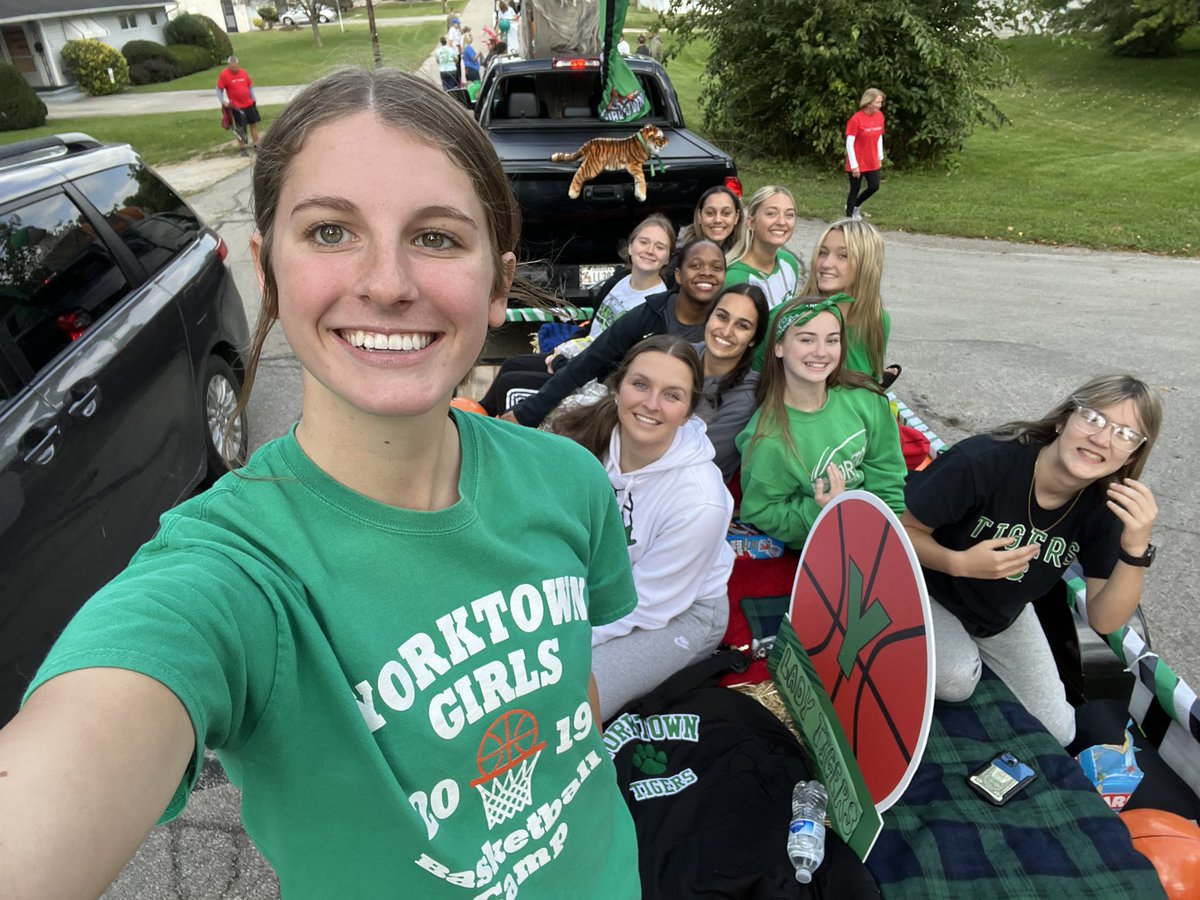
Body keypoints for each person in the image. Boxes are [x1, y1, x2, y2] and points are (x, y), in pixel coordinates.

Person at [0, 68, 643, 899]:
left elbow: (572, 695)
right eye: (332, 231)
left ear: (496, 284)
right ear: (268, 270)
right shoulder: (230, 578)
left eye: (439, 237)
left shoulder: (566, 480)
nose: (387, 283)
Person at [902, 375, 1162, 747]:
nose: (1102, 439)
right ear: (1063, 421)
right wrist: (959, 563)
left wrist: (1136, 550)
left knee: (1059, 730)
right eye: (1094, 419)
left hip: (1000, 613)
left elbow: (1105, 619)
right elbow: (899, 531)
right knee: (957, 679)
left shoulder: (1108, 506)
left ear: (1133, 454)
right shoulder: (985, 461)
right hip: (923, 586)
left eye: (1124, 434)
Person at [551, 336, 734, 719]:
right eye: (640, 385)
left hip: (675, 609)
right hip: (596, 584)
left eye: (672, 395)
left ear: (687, 412)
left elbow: (647, 606)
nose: (651, 404)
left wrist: (558, 642)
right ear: (617, 389)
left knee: (567, 701)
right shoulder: (584, 440)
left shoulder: (700, 500)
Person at [736, 295, 906, 549]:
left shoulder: (866, 398)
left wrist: (887, 534)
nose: (821, 352)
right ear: (779, 347)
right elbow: (761, 511)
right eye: (806, 339)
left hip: (874, 532)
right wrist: (820, 511)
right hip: (816, 549)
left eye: (832, 340)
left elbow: (887, 473)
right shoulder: (766, 437)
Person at [501, 238, 726, 428]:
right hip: (618, 408)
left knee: (511, 385)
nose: (706, 273)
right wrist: (526, 414)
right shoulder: (650, 314)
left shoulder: (722, 329)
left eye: (716, 267)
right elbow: (592, 359)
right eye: (696, 266)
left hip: (678, 428)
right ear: (678, 274)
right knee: (511, 386)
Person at [480, 214, 675, 415]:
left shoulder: (656, 306)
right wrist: (562, 350)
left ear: (668, 257)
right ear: (631, 246)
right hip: (579, 357)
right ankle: (476, 414)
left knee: (510, 384)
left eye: (660, 247)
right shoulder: (618, 282)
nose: (650, 251)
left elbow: (624, 365)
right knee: (511, 364)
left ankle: (506, 440)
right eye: (644, 242)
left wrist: (565, 363)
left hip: (598, 380)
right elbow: (591, 328)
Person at [798, 218, 892, 382]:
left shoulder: (877, 320)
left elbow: (871, 382)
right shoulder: (794, 316)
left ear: (866, 265)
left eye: (843, 256)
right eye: (823, 252)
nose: (826, 263)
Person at [693, 284, 769, 481]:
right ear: (709, 317)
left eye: (742, 326)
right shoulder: (678, 355)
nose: (726, 331)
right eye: (722, 317)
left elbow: (697, 459)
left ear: (753, 339)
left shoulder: (747, 397)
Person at [725, 185, 805, 311]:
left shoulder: (789, 264)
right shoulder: (735, 278)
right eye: (771, 214)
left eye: (789, 215)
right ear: (751, 222)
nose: (782, 222)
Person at [845, 88, 886, 220]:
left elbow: (879, 136)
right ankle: (849, 216)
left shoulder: (880, 116)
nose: (880, 105)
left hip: (871, 159)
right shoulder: (856, 119)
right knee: (854, 189)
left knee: (874, 186)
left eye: (880, 103)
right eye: (877, 102)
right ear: (868, 103)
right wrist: (854, 165)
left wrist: (880, 156)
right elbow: (849, 143)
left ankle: (857, 206)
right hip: (857, 160)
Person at [678, 184, 746, 259]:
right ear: (699, 216)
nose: (718, 220)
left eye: (726, 213)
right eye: (710, 213)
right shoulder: (682, 254)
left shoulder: (745, 252)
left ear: (736, 217)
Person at [215, 55, 260, 156]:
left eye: (236, 67)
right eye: (232, 67)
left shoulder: (243, 72)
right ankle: (243, 148)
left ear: (238, 64)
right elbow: (219, 90)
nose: (235, 69)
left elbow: (250, 86)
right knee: (240, 128)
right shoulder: (224, 75)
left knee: (253, 124)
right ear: (229, 65)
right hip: (237, 106)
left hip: (249, 103)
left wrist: (253, 98)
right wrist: (223, 101)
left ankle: (257, 145)